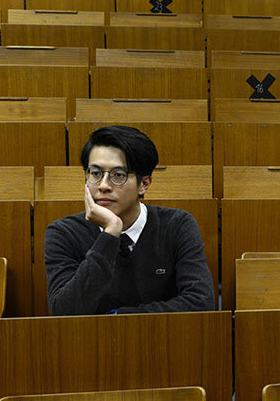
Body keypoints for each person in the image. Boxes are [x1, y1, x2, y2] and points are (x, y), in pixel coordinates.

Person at [45, 125, 215, 315]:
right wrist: (110, 234)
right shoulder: (63, 233)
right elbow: (64, 312)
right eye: (95, 173)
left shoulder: (177, 225)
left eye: (118, 175)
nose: (103, 186)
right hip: (89, 343)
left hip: (166, 340)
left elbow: (201, 302)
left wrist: (119, 316)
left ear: (144, 183)